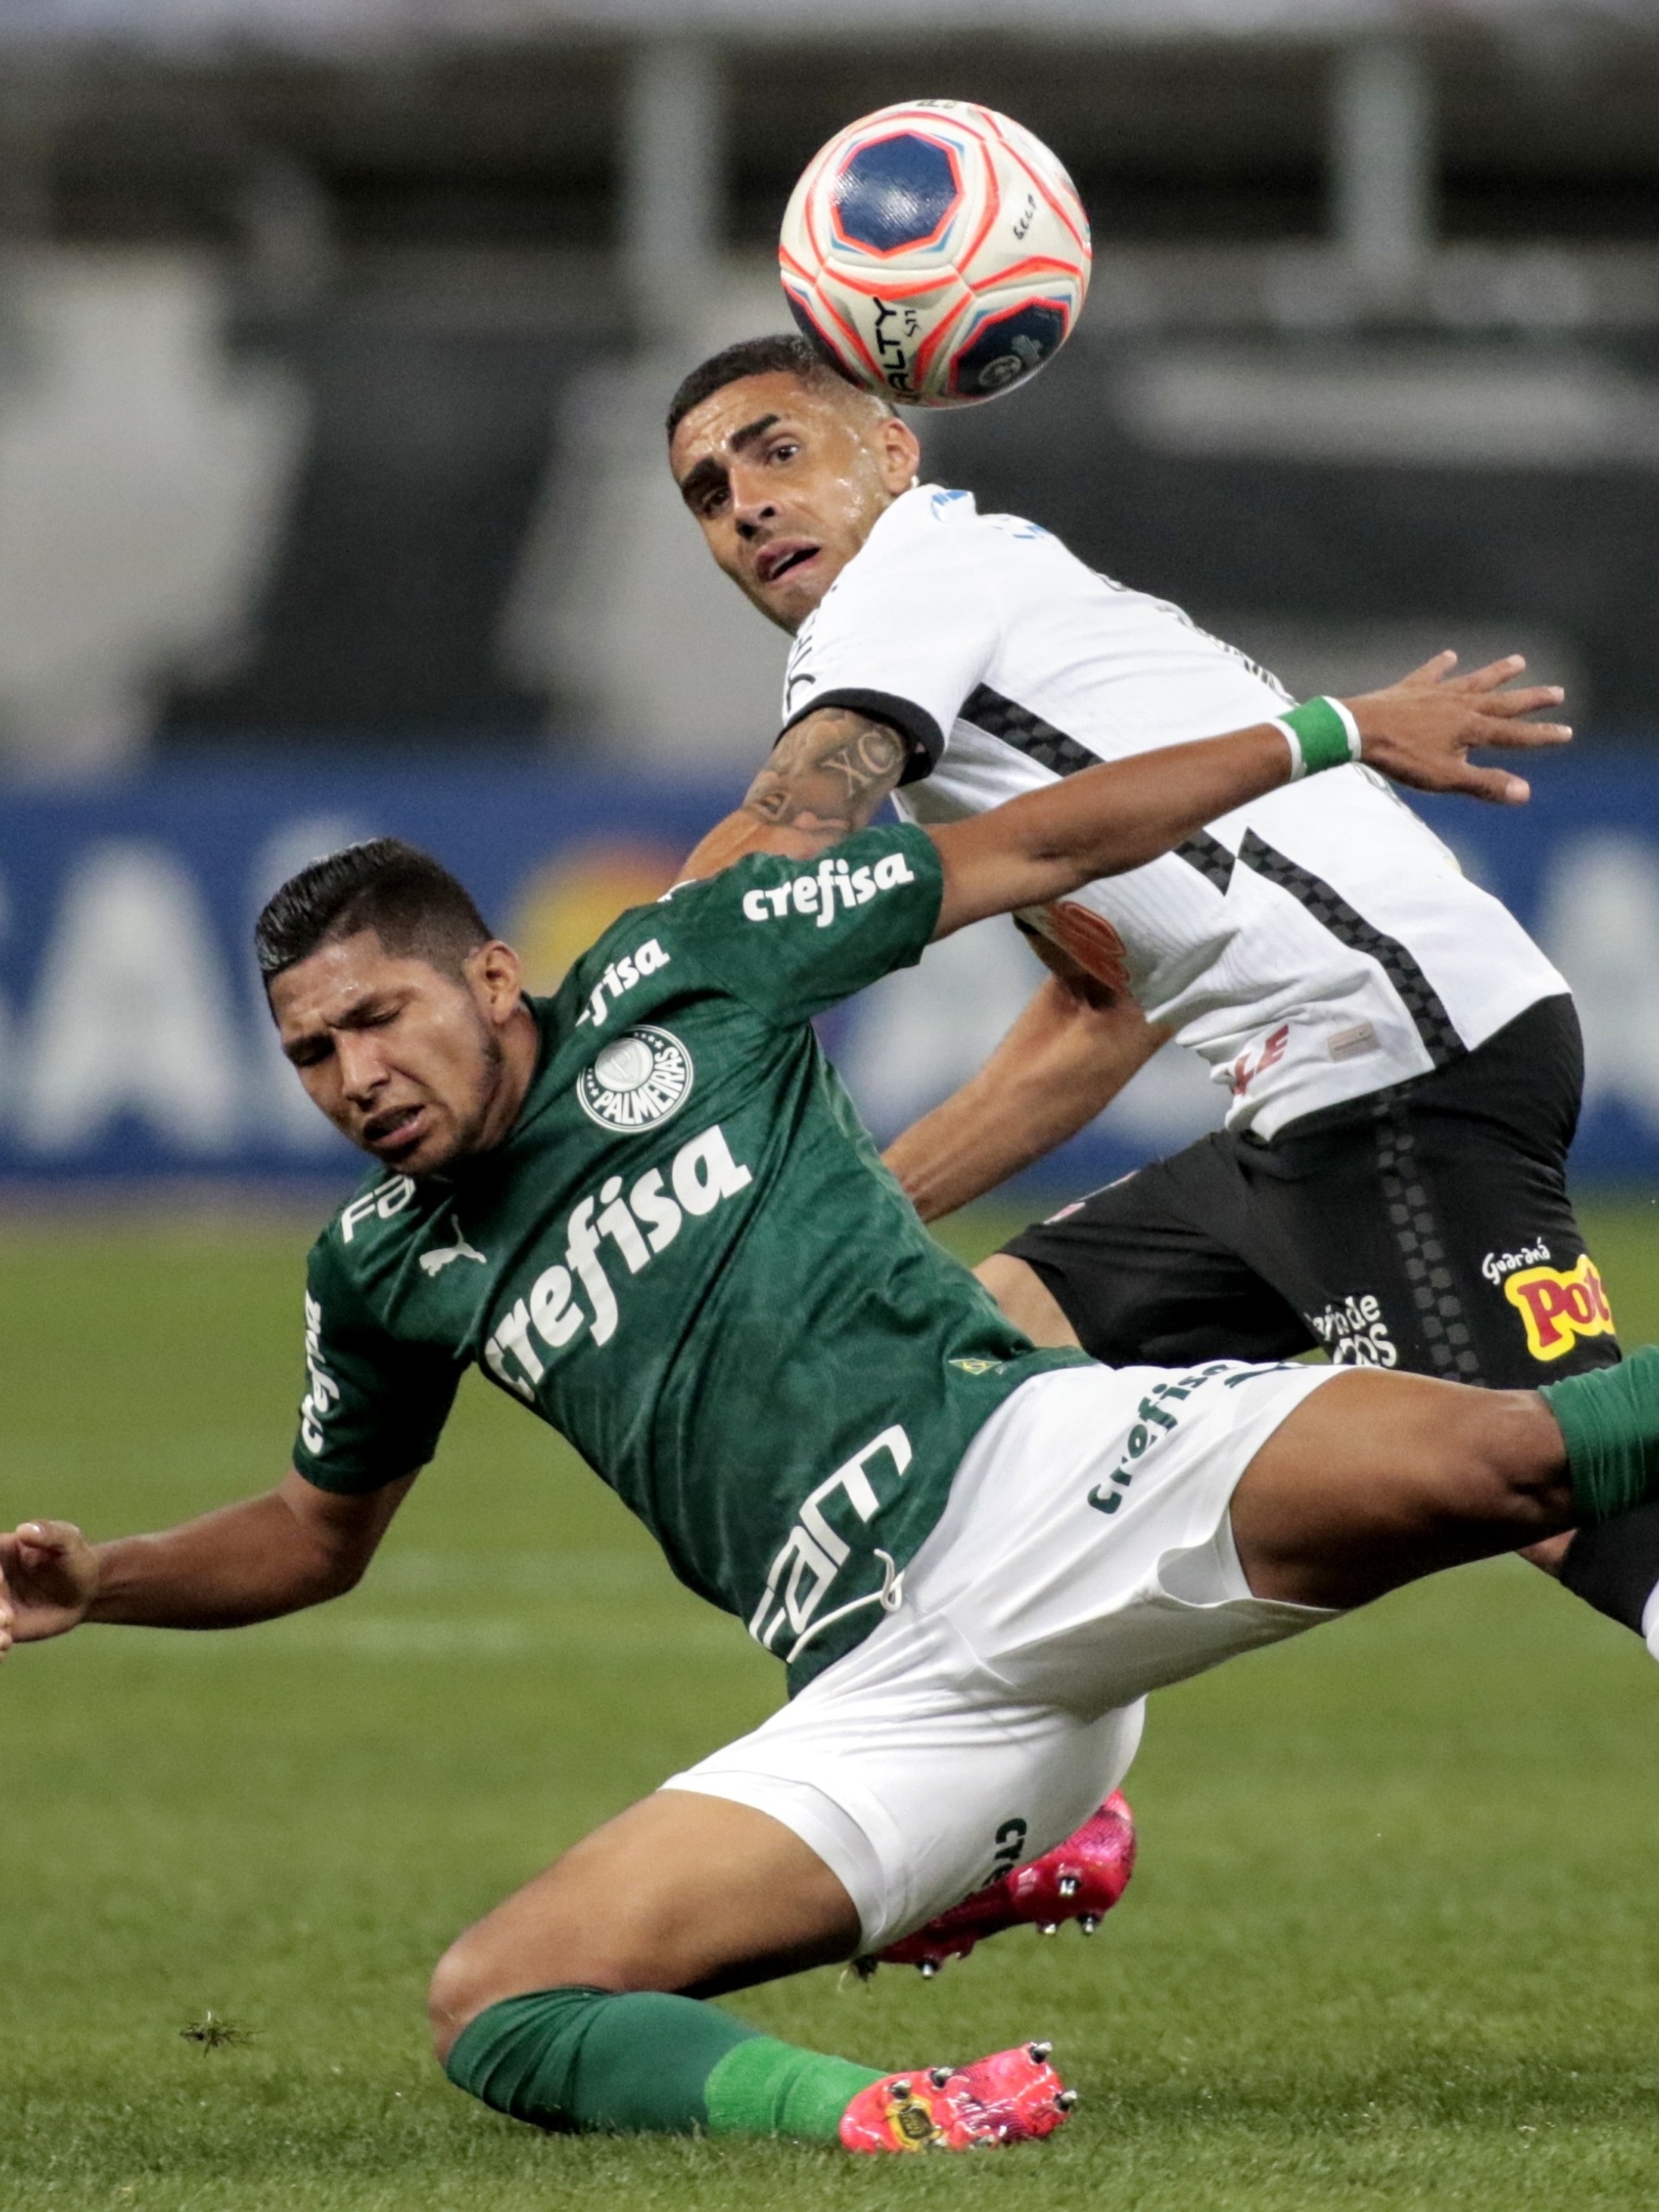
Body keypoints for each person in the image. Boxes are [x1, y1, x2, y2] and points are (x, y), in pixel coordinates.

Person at [16, 695, 1656, 2163]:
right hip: (887, 1693)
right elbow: (315, 1531)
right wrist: (101, 1576)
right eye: (311, 1051)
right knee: (495, 1999)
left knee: (1502, 1459)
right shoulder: (379, 1267)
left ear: (491, 973)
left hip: (1037, 1483)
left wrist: (1330, 727)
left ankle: (1009, 1861)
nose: (351, 1073)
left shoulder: (687, 973)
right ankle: (879, 2109)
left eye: (380, 1017)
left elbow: (1038, 844)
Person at [666, 333, 1652, 1646]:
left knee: (1548, 1484)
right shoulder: (973, 617)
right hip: (1309, 1098)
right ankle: (1013, 1800)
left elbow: (787, 835)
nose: (746, 506)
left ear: (893, 448)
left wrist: (607, 1037)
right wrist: (858, 1217)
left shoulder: (907, 583)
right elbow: (1098, 1014)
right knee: (982, 1353)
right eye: (707, 494)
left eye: (777, 451)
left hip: (1390, 1062)